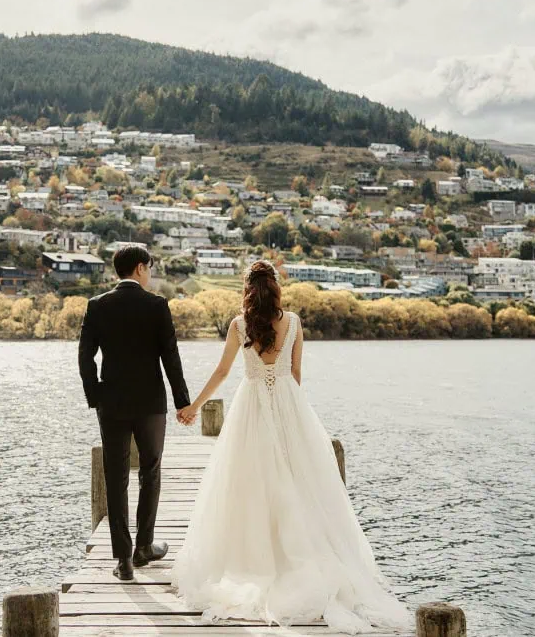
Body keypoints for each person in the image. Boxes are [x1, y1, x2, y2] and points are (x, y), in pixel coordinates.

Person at [172, 260, 412, 633]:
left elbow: (221, 373)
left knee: (250, 483)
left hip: (250, 406)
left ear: (248, 290)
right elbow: (296, 374)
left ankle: (256, 559)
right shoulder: (295, 322)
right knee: (300, 480)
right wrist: (289, 413)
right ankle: (299, 555)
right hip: (288, 404)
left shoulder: (239, 326)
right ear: (276, 288)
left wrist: (193, 407)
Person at [78, 246, 191, 581]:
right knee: (150, 472)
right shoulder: (157, 306)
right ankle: (144, 546)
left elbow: (85, 358)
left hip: (111, 402)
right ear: (141, 268)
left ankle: (124, 561)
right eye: (151, 267)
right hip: (150, 404)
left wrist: (95, 395)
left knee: (116, 478)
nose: (151, 273)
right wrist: (182, 401)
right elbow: (171, 357)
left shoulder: (97, 306)